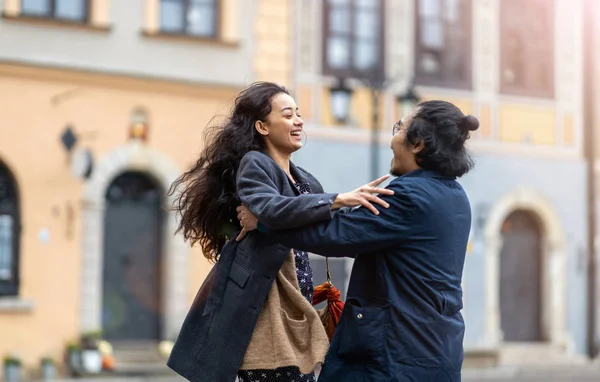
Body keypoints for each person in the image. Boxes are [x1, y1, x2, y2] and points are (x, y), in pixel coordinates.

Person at [166, 81, 393, 382]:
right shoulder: (255, 163)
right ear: (262, 126)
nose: (298, 121)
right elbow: (271, 208)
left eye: (298, 114)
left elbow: (324, 227)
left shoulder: (306, 180)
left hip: (294, 307)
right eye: (288, 115)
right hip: (265, 307)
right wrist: (337, 199)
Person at [236, 100, 479, 382]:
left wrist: (263, 223)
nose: (393, 138)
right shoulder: (455, 196)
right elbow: (370, 233)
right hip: (436, 349)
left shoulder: (409, 196)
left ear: (418, 144)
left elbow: (335, 235)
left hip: (394, 355)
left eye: (399, 127)